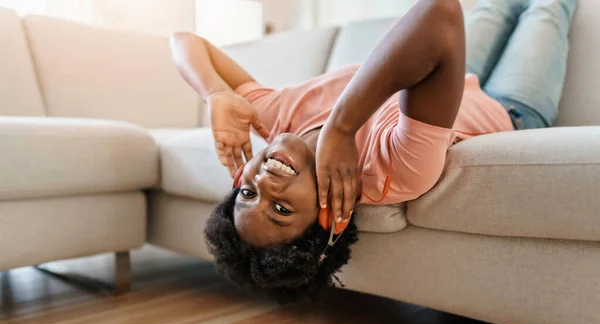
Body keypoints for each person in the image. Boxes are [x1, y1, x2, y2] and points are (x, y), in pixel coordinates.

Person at [170, 0, 577, 302]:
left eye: (247, 194)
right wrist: (342, 127)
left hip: (458, 72)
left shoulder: (276, 119)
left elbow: (184, 39)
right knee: (546, 7)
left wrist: (216, 93)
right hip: (510, 106)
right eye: (281, 210)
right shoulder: (387, 173)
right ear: (329, 214)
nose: (265, 184)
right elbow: (440, 15)